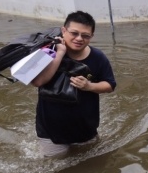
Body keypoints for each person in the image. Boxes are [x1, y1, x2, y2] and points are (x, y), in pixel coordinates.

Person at [31, 11, 116, 157]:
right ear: (64, 30)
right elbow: (38, 81)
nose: (79, 39)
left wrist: (89, 86)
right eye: (74, 33)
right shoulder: (47, 52)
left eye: (85, 36)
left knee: (92, 164)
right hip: (50, 131)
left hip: (85, 128)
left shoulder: (98, 57)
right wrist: (60, 53)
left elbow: (110, 85)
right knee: (55, 167)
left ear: (91, 37)